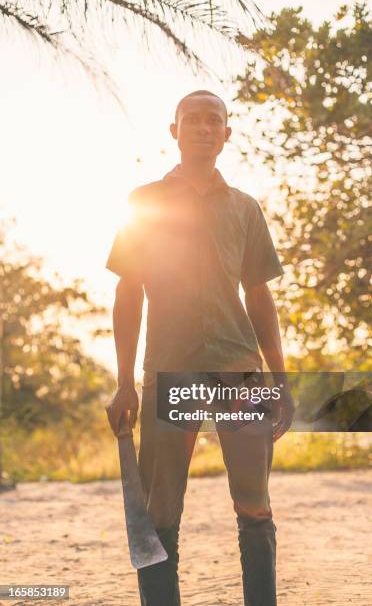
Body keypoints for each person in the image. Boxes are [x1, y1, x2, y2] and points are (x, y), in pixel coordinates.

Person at [105, 90, 295, 606]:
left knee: (255, 506)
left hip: (240, 374)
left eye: (215, 120)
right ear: (174, 130)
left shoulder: (244, 208)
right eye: (194, 120)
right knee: (161, 511)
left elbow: (259, 295)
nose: (204, 128)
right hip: (172, 372)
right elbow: (128, 293)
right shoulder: (144, 203)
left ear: (227, 134)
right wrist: (125, 382)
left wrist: (279, 380)